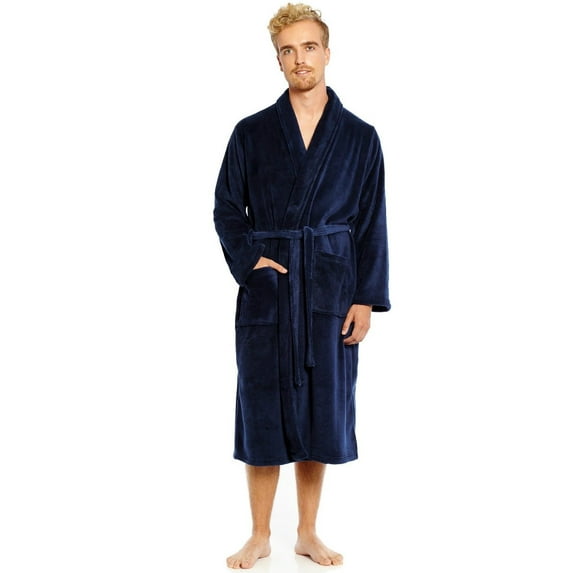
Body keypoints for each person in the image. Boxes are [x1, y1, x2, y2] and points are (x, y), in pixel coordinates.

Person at [213, 3, 390, 569]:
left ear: (327, 52)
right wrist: (252, 262)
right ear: (278, 60)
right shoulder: (250, 133)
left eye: (309, 47)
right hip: (270, 290)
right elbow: (226, 209)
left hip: (330, 289)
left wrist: (365, 297)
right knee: (261, 408)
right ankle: (259, 534)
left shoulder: (359, 137)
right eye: (287, 51)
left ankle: (307, 533)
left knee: (320, 410)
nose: (299, 59)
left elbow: (371, 222)